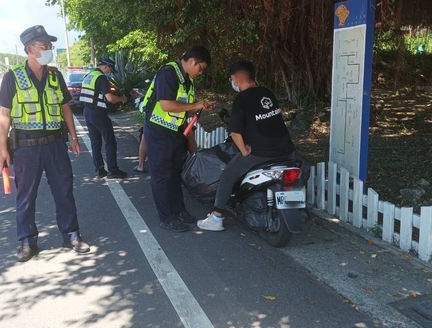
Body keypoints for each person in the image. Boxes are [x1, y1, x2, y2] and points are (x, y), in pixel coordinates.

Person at [0, 25, 90, 262]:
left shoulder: (55, 75)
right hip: (25, 148)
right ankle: (27, 241)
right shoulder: (12, 77)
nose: (48, 50)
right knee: (26, 196)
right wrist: (2, 148)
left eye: (50, 46)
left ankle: (71, 235)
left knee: (64, 191)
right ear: (30, 49)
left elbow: (66, 108)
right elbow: (4, 114)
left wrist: (74, 137)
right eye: (43, 46)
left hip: (55, 145)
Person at [198, 59, 295, 231]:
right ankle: (295, 205)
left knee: (228, 175)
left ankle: (216, 217)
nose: (232, 82)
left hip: (261, 153)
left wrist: (244, 151)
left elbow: (235, 132)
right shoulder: (267, 93)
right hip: (287, 150)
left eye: (231, 78)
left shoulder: (242, 99)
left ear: (236, 78)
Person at [141, 46, 215, 232]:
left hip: (174, 131)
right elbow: (166, 105)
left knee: (175, 173)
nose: (201, 72)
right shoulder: (169, 73)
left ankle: (179, 211)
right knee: (162, 176)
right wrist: (196, 104)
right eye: (201, 68)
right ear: (192, 61)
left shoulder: (186, 79)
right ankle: (167, 217)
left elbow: (183, 107)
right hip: (158, 131)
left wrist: (200, 106)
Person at [80, 57, 128, 179]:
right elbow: (110, 98)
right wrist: (122, 99)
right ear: (106, 67)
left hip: (87, 112)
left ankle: (100, 170)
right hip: (98, 113)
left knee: (95, 142)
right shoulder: (101, 77)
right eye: (110, 70)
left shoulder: (89, 75)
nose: (109, 72)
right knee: (110, 141)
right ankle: (113, 170)